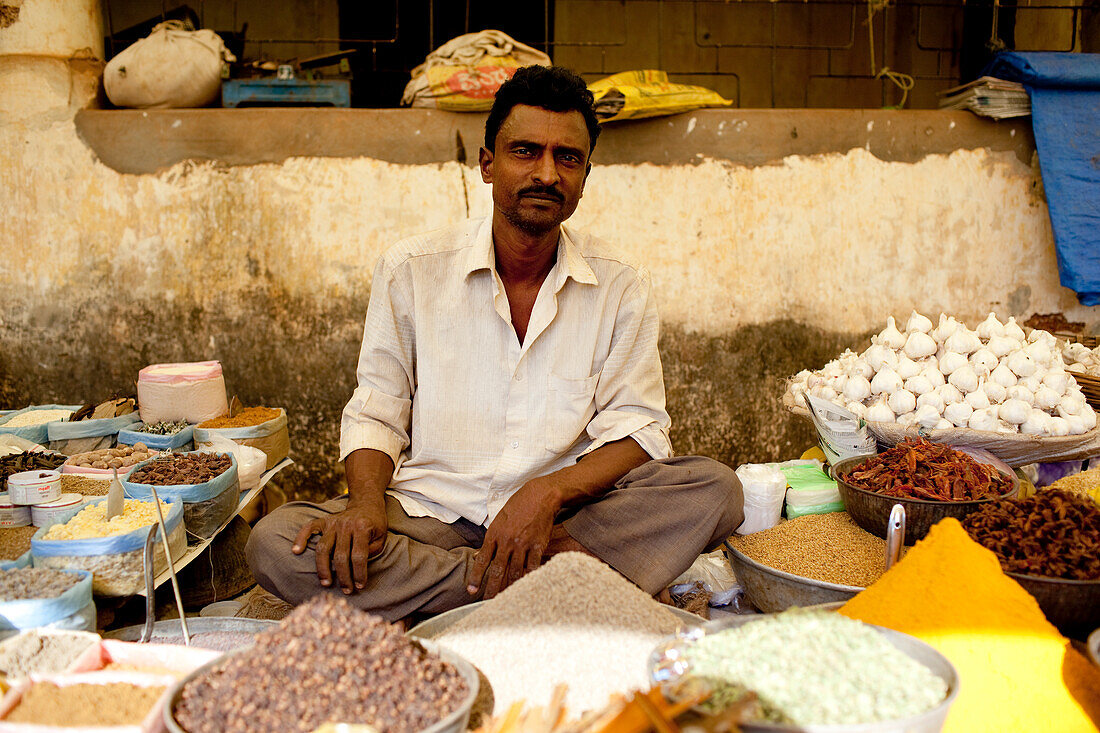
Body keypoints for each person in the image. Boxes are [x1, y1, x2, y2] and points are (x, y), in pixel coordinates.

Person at [246, 65, 744, 622]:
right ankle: (536, 581)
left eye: (568, 158)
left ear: (585, 173)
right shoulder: (412, 270)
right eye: (526, 152)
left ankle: (460, 588)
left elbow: (640, 428)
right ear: (488, 164)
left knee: (716, 490)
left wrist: (546, 493)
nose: (547, 174)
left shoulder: (619, 283)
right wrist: (364, 506)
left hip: (561, 522)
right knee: (276, 542)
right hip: (431, 512)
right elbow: (377, 410)